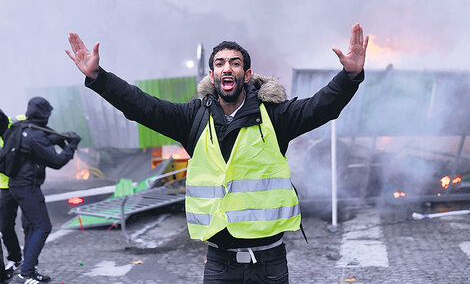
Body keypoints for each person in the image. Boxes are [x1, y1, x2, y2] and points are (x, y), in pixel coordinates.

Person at [66, 24, 368, 284]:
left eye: (235, 63)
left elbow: (321, 107)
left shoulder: (275, 116)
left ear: (246, 75)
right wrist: (99, 78)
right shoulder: (193, 118)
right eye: (221, 63)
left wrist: (349, 77)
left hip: (270, 263)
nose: (227, 68)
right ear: (212, 74)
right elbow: (141, 105)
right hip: (219, 263)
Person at [9, 97, 81, 284]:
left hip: (17, 185)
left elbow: (40, 142)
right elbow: (56, 162)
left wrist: (61, 137)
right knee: (43, 226)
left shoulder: (22, 127)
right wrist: (71, 145)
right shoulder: (35, 135)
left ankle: (30, 269)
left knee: (31, 226)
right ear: (44, 114)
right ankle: (25, 274)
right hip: (27, 187)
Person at [0, 114, 27, 280]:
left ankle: (31, 265)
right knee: (5, 227)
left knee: (33, 225)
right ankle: (16, 257)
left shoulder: (16, 124)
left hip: (21, 183)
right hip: (4, 187)